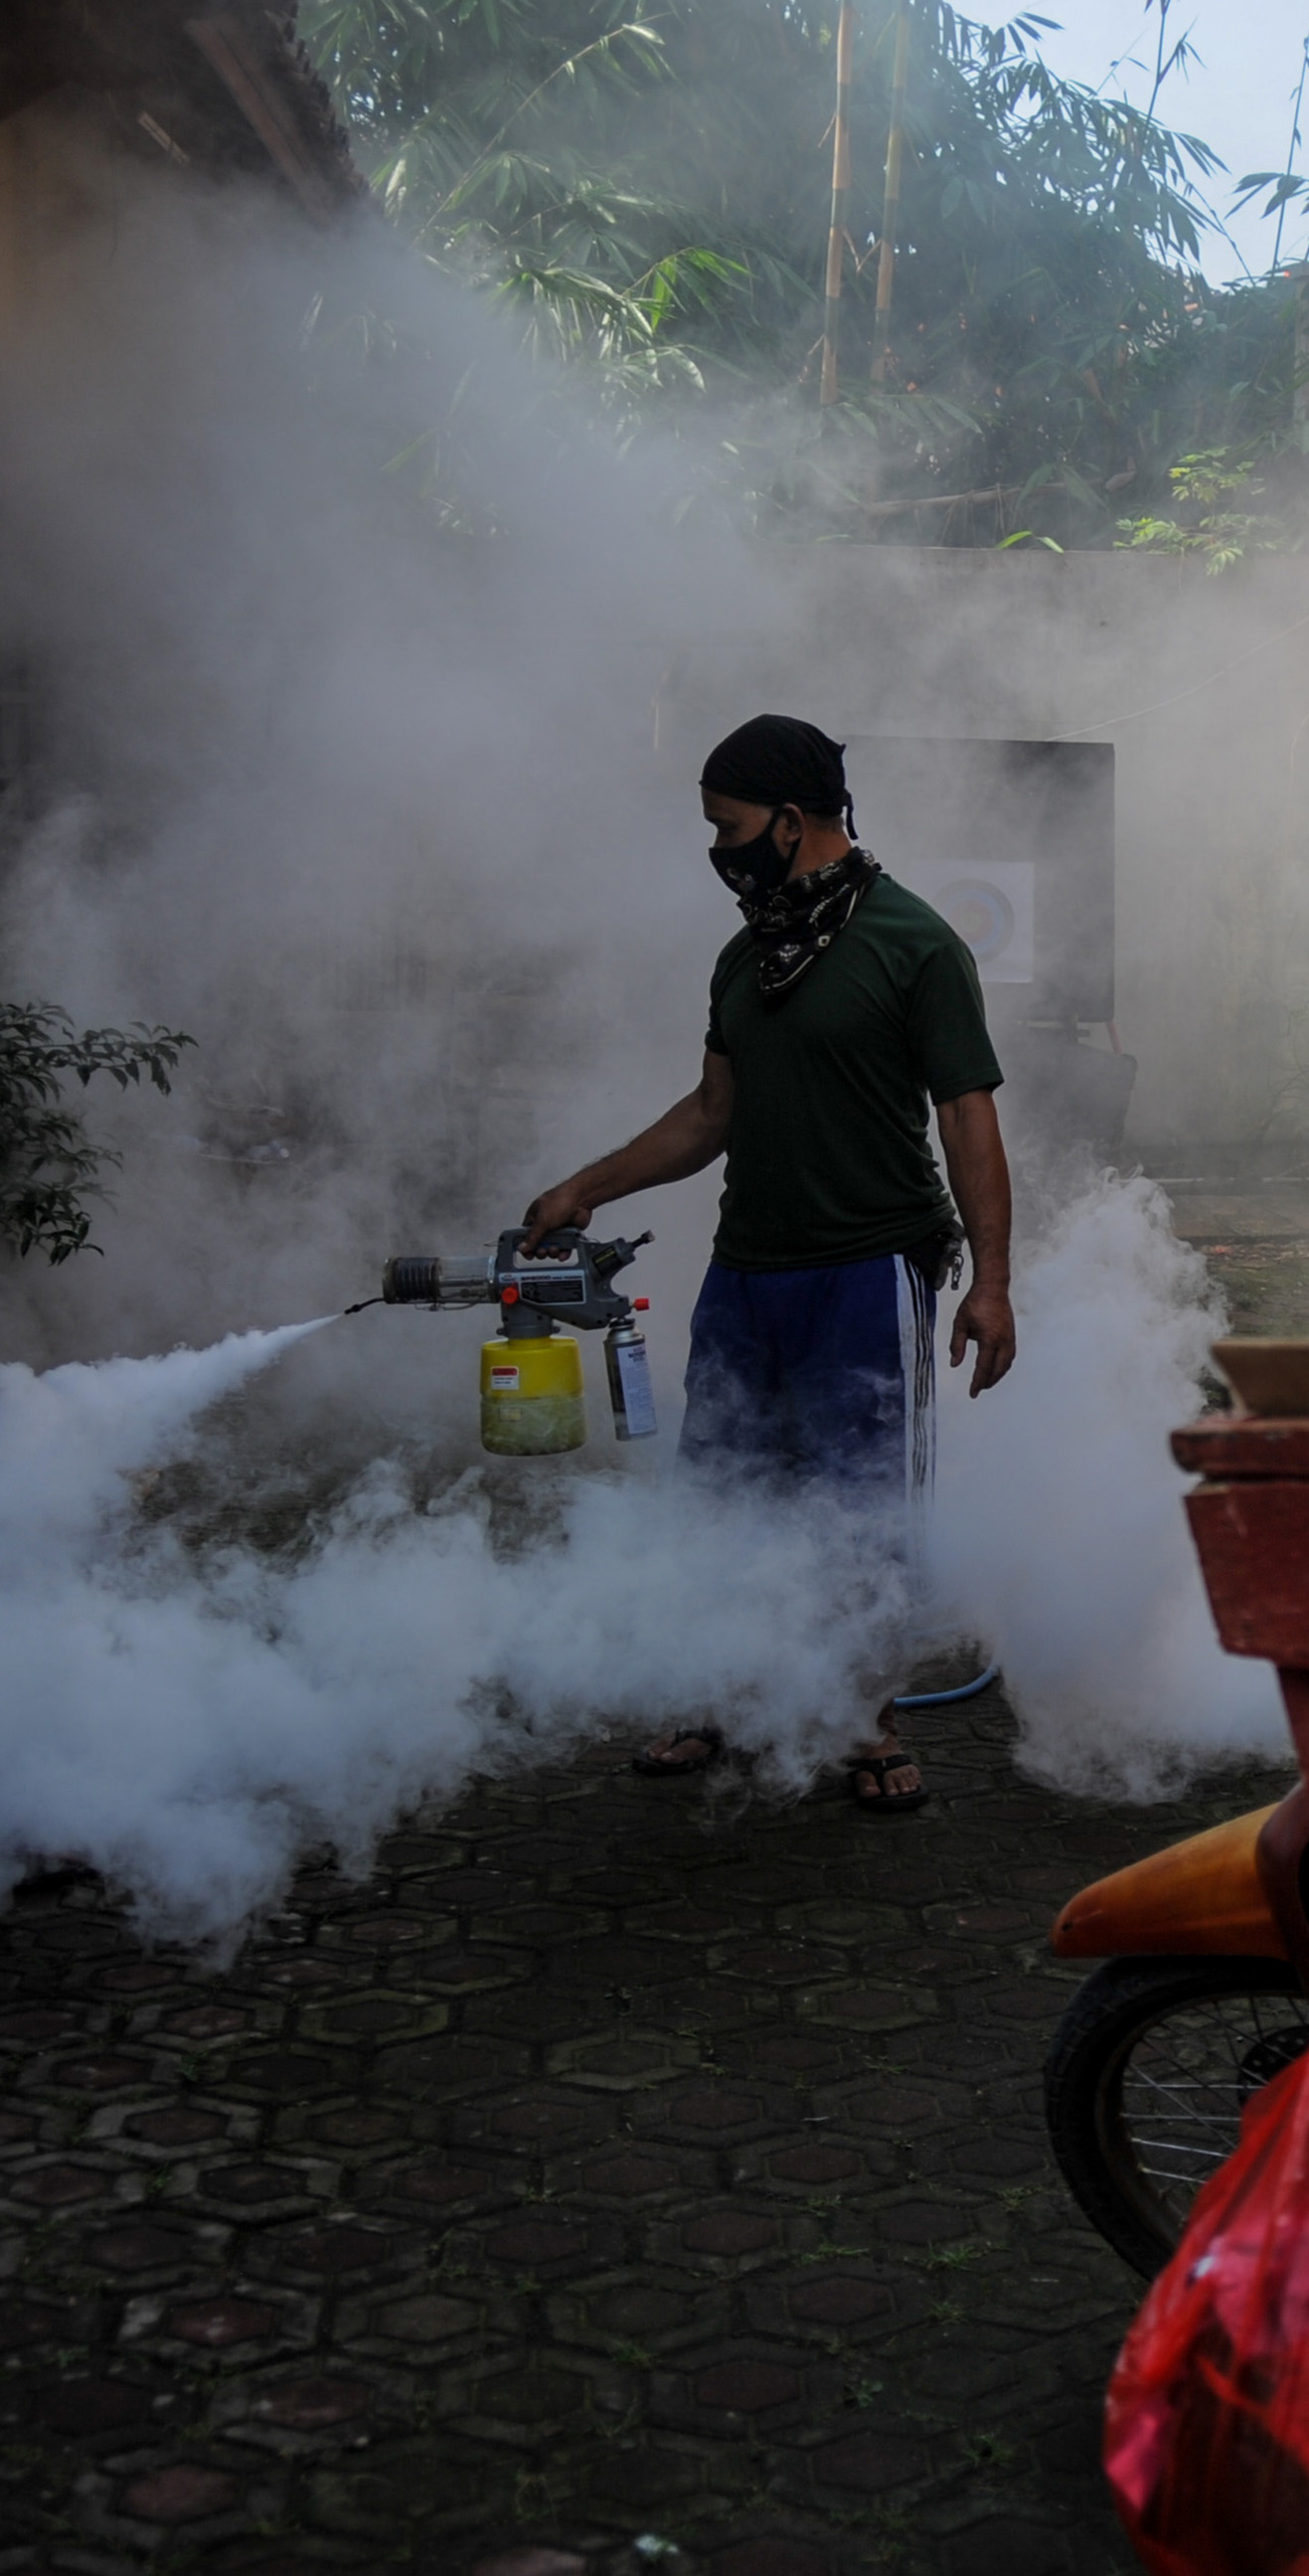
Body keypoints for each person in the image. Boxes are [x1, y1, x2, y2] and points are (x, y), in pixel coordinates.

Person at [521, 715, 1015, 1812]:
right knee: (725, 1491)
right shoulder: (747, 957)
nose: (717, 852)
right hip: (747, 1271)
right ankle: (714, 1691)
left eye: (726, 827)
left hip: (867, 1268)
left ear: (791, 823)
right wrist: (583, 1186)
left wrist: (991, 1280)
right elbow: (709, 1115)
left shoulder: (914, 943)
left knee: (860, 1504)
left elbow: (966, 1118)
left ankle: (860, 1718)